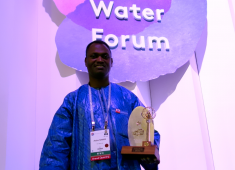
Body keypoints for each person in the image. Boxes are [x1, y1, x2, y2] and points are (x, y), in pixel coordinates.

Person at [39, 40, 160, 170]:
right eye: (94, 56)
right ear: (86, 61)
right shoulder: (73, 101)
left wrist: (151, 152)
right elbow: (56, 146)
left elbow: (149, 133)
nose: (100, 59)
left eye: (105, 56)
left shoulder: (128, 98)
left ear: (111, 62)